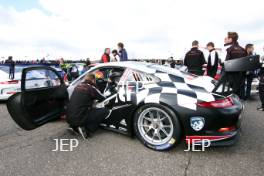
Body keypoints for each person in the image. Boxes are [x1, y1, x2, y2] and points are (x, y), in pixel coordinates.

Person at [66, 74, 110, 139]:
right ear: (93, 80)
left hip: (68, 118)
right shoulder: (91, 88)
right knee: (105, 111)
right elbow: (103, 98)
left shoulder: (77, 86)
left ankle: (74, 126)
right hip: (80, 118)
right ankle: (87, 129)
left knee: (82, 109)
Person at [223, 32, 247, 99]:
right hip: (240, 76)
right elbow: (246, 65)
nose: (226, 40)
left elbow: (226, 64)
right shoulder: (243, 50)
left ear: (231, 39)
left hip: (230, 77)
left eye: (227, 38)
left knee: (230, 96)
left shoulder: (229, 49)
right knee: (238, 95)